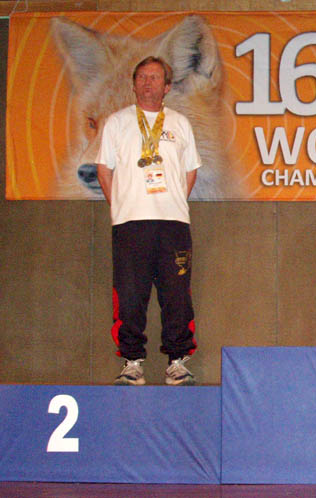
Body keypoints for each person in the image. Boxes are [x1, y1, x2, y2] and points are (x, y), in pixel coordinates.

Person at [96, 56, 201, 385]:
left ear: (167, 86)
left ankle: (177, 361)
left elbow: (191, 171)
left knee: (176, 294)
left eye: (154, 78)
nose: (147, 83)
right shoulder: (117, 122)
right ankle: (131, 362)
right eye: (141, 77)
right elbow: (104, 169)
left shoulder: (180, 124)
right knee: (130, 294)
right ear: (133, 83)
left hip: (173, 224)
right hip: (130, 224)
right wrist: (122, 206)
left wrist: (172, 202)